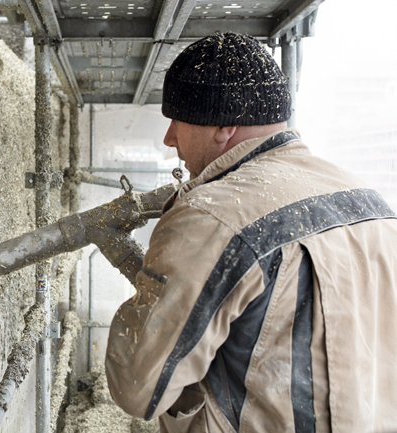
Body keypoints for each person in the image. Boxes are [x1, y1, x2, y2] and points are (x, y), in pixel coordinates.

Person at [104, 32, 397, 433]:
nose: (169, 138)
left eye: (178, 119)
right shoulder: (372, 205)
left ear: (224, 124)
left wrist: (152, 284)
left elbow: (137, 386)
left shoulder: (213, 213)